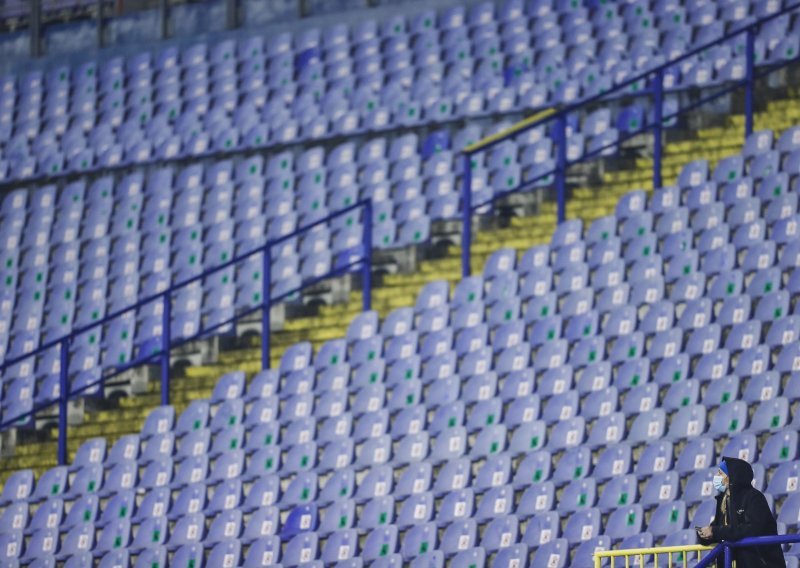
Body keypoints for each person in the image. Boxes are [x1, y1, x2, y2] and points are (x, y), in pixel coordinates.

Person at [696, 456, 785, 567]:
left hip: (761, 562)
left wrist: (715, 531)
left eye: (720, 473)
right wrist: (705, 535)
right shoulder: (724, 499)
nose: (716, 477)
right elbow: (719, 526)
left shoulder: (754, 497)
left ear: (732, 477)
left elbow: (752, 529)